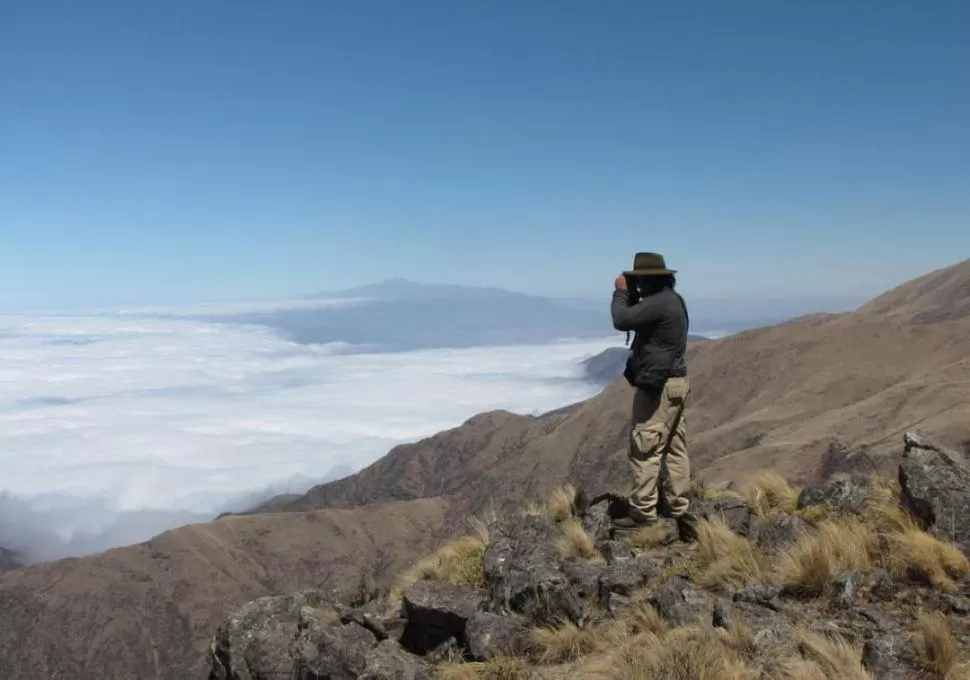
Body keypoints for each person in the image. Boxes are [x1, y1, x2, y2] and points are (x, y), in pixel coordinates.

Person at [610, 252, 697, 541]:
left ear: (647, 279)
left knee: (645, 446)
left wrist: (620, 293)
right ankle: (679, 509)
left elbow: (622, 320)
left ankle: (644, 517)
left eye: (638, 280)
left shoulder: (659, 301)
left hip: (658, 387)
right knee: (674, 447)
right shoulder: (672, 299)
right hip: (676, 383)